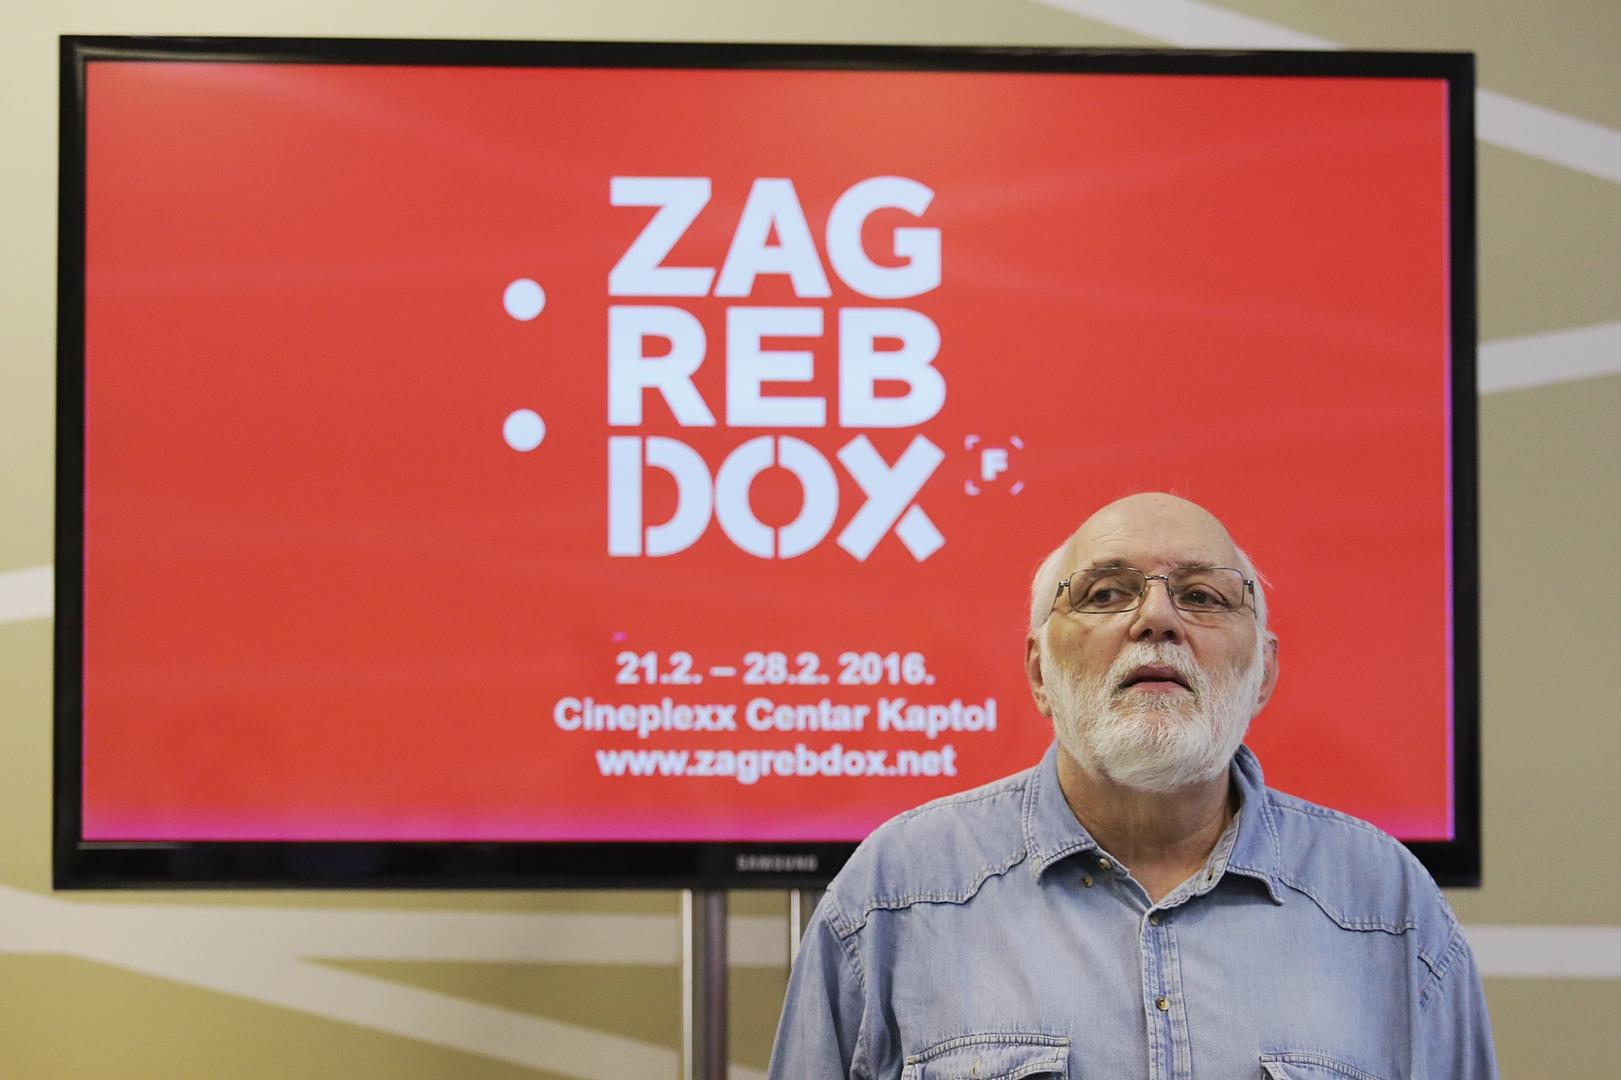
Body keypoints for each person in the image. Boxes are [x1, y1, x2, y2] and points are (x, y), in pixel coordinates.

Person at [767, 492, 1495, 1079]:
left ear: (1264, 673)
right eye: (1106, 592)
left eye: (1202, 596)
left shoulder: (1387, 909)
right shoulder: (896, 893)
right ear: (1038, 671)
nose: (1156, 619)